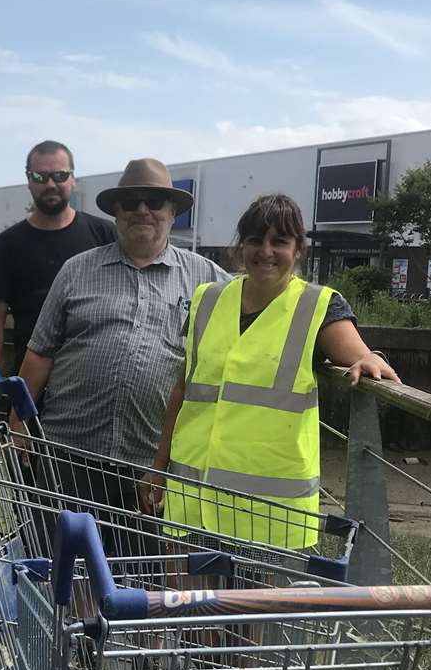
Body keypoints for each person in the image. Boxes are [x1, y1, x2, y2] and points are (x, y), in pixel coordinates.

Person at [143, 193, 400, 549]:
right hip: (193, 496)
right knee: (186, 602)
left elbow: (358, 353)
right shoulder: (207, 300)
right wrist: (159, 467)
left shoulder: (317, 305)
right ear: (242, 246)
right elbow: (183, 390)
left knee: (256, 604)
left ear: (298, 251)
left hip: (266, 511)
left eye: (279, 241)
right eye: (255, 240)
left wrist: (369, 358)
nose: (265, 251)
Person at [16, 158, 225, 531]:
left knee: (137, 578)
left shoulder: (207, 279)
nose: (142, 210)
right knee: (64, 570)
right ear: (116, 211)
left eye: (154, 202)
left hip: (151, 464)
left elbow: (267, 302)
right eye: (131, 202)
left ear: (172, 211)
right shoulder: (76, 270)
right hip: (67, 455)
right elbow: (40, 353)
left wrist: (348, 343)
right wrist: (19, 425)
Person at [0, 140, 115, 388]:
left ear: (74, 179)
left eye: (60, 175)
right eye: (40, 176)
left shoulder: (105, 236)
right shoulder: (9, 244)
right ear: (28, 180)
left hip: (94, 383)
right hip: (30, 383)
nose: (50, 184)